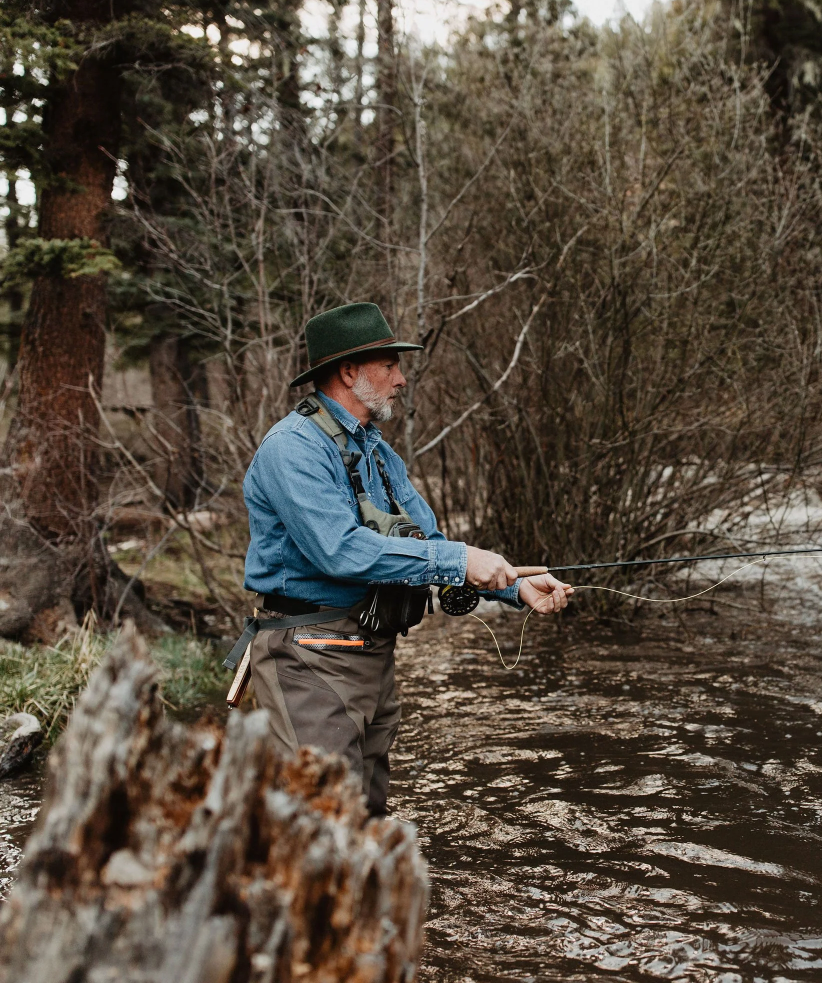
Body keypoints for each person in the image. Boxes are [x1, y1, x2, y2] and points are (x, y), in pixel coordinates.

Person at [234, 302, 574, 815]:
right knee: (321, 825)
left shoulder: (377, 452)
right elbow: (341, 550)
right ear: (349, 372)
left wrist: (514, 588)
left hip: (370, 655)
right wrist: (461, 560)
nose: (401, 378)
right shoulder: (292, 449)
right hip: (309, 656)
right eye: (390, 365)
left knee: (367, 819)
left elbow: (429, 541)